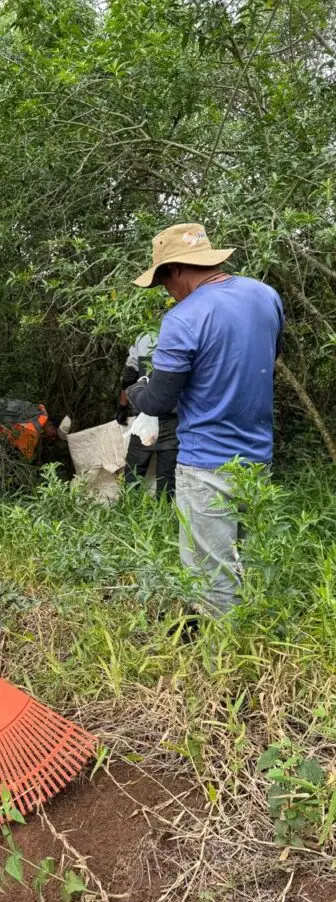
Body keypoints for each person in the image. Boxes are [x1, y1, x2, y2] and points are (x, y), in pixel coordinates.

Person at [125, 223, 284, 616]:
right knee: (250, 564)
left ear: (175, 270)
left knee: (212, 580)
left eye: (163, 280)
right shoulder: (266, 296)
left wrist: (134, 392)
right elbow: (267, 360)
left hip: (206, 465)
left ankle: (220, 668)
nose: (167, 290)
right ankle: (256, 649)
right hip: (257, 460)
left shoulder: (183, 318)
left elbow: (160, 399)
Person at [117, 332, 179, 499]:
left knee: (133, 475)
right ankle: (162, 518)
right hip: (172, 418)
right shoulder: (183, 336)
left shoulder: (143, 337)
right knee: (167, 480)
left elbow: (129, 377)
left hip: (146, 417)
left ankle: (128, 513)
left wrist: (123, 406)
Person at [0, 399, 71, 467]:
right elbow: (23, 459)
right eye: (54, 435)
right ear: (50, 425)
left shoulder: (40, 412)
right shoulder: (32, 432)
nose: (52, 439)